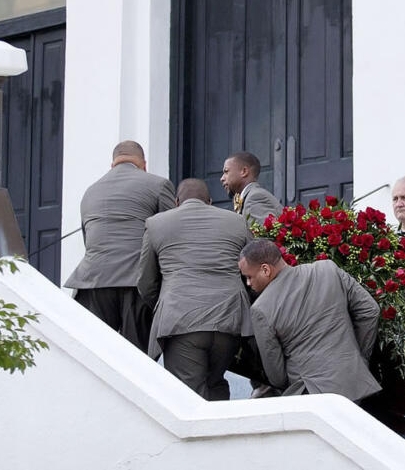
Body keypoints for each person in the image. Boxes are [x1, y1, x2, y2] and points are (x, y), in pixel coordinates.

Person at [136, 178, 252, 400]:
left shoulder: (156, 224)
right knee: (215, 382)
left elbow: (146, 282)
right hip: (229, 319)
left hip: (180, 319)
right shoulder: (237, 221)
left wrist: (163, 306)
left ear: (177, 202)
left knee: (188, 396)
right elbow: (251, 268)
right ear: (209, 201)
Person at [64, 140, 176, 350]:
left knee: (97, 355)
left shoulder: (91, 191)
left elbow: (88, 240)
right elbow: (170, 237)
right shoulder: (158, 185)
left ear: (112, 165)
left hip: (92, 283)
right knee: (136, 357)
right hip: (135, 282)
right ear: (144, 164)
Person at [237, 239, 380, 401]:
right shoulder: (327, 269)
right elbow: (370, 311)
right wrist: (357, 357)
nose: (248, 283)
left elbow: (277, 376)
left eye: (249, 277)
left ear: (265, 269)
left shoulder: (261, 309)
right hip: (353, 381)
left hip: (310, 394)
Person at [221, 151, 283, 226]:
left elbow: (263, 237)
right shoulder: (249, 197)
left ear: (244, 171)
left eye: (226, 172)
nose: (222, 178)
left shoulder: (255, 198)